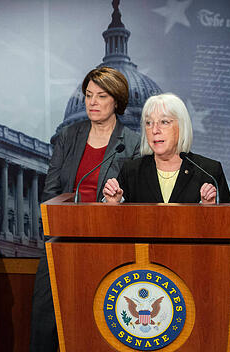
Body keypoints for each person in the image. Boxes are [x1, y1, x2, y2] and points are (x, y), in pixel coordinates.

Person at [29, 67, 140, 352]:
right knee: (46, 318)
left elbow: (139, 199)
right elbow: (51, 190)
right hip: (62, 242)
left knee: (98, 322)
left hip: (108, 244)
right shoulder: (68, 136)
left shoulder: (132, 143)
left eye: (101, 96)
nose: (91, 102)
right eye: (88, 95)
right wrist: (54, 233)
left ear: (116, 100)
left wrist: (119, 201)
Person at [103, 93, 230, 204]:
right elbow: (118, 227)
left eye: (164, 122)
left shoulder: (209, 171)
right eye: (149, 123)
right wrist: (114, 204)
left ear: (181, 127)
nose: (154, 130)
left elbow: (228, 225)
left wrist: (211, 209)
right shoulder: (131, 171)